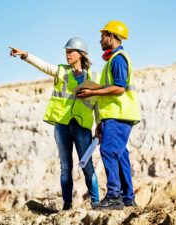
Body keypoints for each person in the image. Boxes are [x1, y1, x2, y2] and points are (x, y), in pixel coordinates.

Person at [9, 37, 99, 210]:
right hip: (62, 125)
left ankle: (95, 202)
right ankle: (67, 204)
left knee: (88, 166)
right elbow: (43, 66)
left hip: (82, 128)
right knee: (65, 167)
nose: (67, 55)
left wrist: (100, 124)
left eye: (70, 51)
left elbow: (97, 106)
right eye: (66, 51)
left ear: (81, 54)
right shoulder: (61, 71)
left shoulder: (93, 77)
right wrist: (26, 55)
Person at [77, 20, 141, 209]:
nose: (100, 40)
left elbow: (119, 88)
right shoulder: (114, 59)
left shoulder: (118, 58)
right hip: (114, 116)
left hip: (119, 115)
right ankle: (128, 199)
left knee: (108, 151)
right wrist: (101, 122)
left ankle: (114, 196)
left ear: (111, 37)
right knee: (120, 156)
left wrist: (93, 92)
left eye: (103, 36)